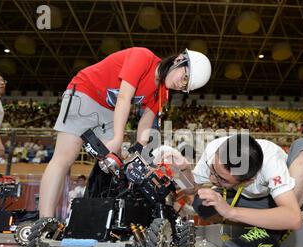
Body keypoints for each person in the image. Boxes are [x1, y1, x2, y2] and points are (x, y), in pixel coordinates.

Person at [38, 47, 211, 218]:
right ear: (179, 60)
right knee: (65, 158)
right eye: (185, 77)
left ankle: (96, 218)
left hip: (109, 110)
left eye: (186, 86)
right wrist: (118, 138)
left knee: (115, 167)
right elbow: (124, 98)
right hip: (85, 91)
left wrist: (138, 152)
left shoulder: (162, 93)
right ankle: (44, 221)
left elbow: (146, 123)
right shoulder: (143, 57)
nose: (181, 85)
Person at [166, 134, 303, 247]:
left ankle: (271, 235)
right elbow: (192, 189)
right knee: (202, 203)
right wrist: (181, 173)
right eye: (213, 170)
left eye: (222, 179)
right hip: (247, 200)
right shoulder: (214, 149)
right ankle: (253, 227)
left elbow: (294, 218)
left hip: (285, 200)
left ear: (248, 181)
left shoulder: (271, 164)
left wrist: (230, 212)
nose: (212, 180)